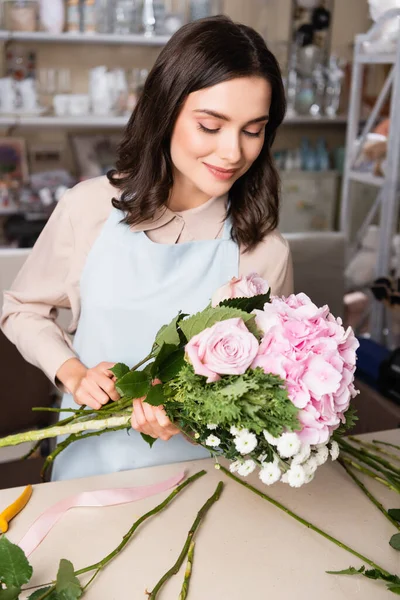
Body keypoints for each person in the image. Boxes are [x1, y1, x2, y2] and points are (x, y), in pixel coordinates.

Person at [1, 15, 293, 481]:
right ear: (166, 111)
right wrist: (72, 372)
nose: (233, 152)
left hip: (206, 481)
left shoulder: (264, 250)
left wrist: (192, 420)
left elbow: (263, 392)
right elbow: (21, 308)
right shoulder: (88, 208)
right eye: (210, 125)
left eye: (252, 130)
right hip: (88, 469)